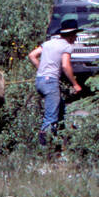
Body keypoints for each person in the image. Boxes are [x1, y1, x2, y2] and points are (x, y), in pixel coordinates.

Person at [29, 16, 83, 144]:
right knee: (51, 118)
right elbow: (65, 65)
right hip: (50, 83)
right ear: (71, 35)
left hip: (40, 81)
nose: (76, 38)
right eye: (75, 35)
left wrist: (41, 68)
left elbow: (32, 55)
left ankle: (60, 143)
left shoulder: (48, 43)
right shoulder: (66, 47)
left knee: (60, 111)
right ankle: (45, 149)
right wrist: (75, 84)